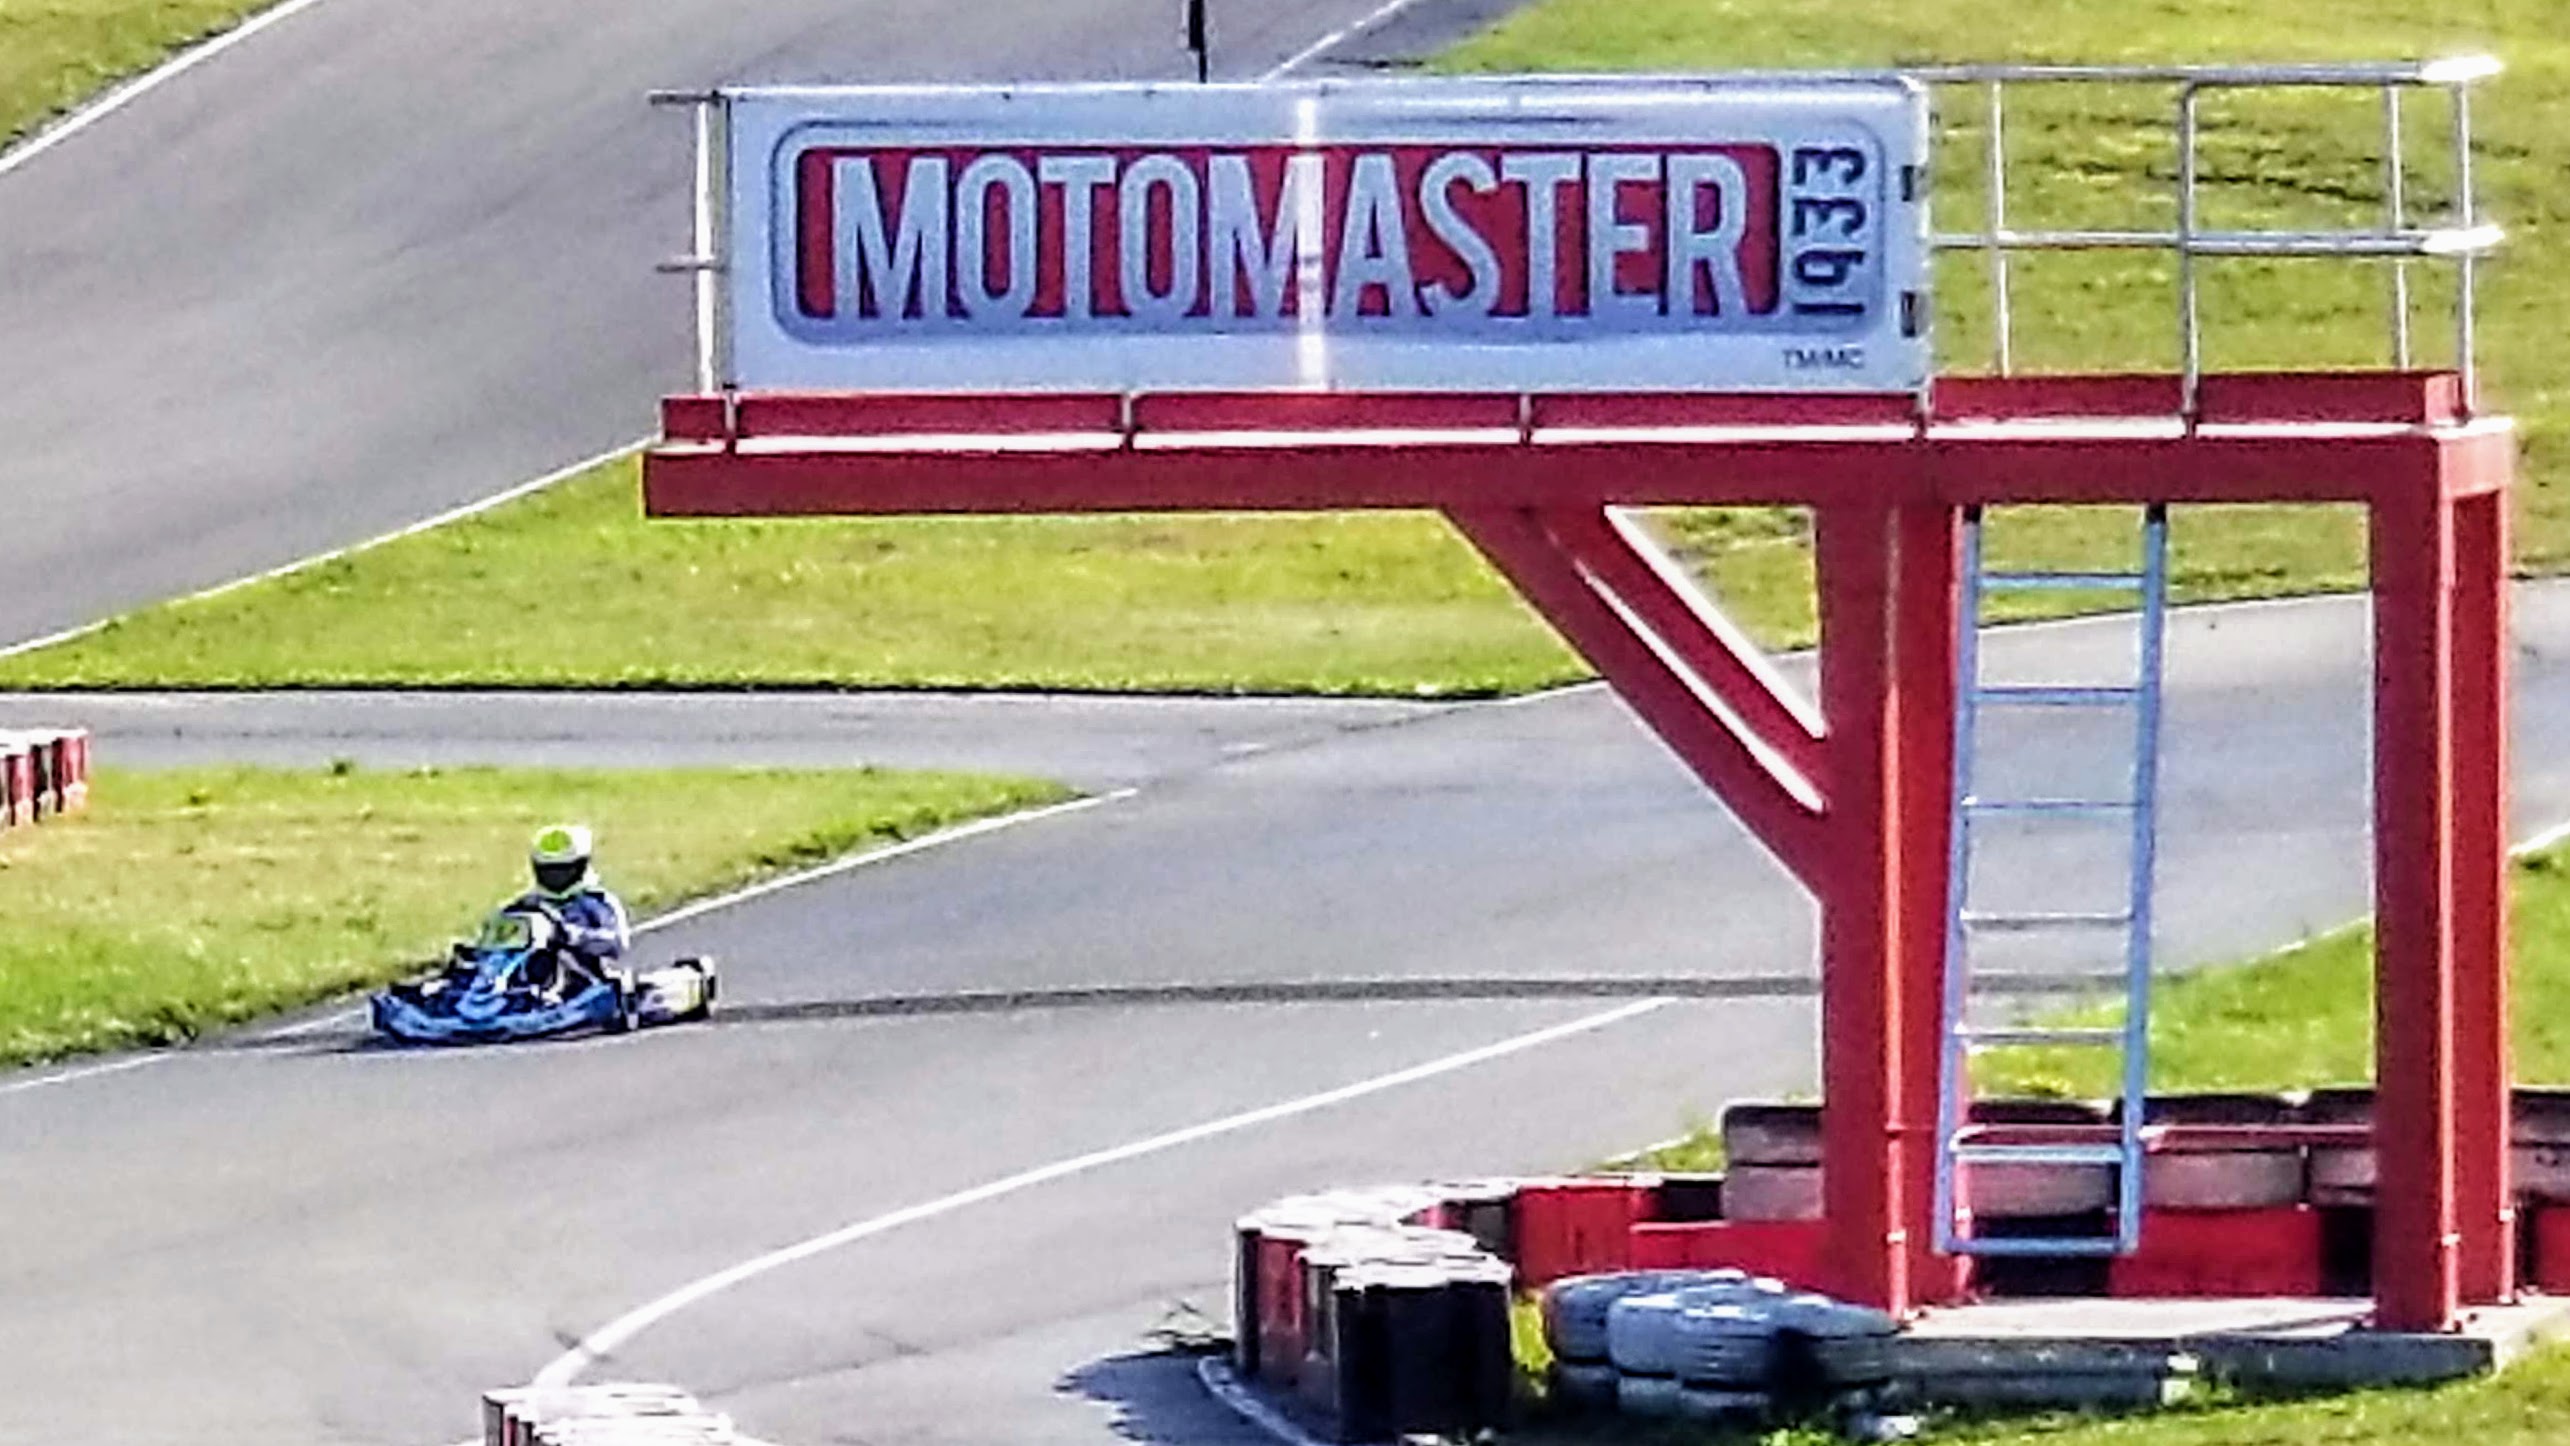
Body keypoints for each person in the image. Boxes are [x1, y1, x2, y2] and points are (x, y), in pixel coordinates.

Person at [507, 822, 633, 997]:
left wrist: (569, 935)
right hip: (529, 982)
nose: (555, 878)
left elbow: (616, 943)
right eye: (549, 871)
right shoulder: (525, 904)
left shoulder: (596, 902)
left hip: (585, 983)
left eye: (562, 871)